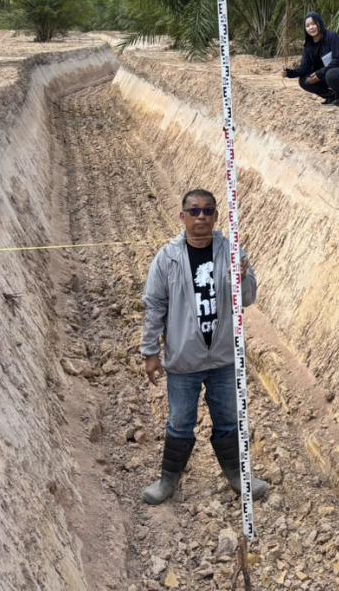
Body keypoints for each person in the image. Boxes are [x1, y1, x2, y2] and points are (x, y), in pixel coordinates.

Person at [140, 189, 270, 505]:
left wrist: (242, 277)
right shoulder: (168, 257)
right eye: (194, 211)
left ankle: (239, 477)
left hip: (223, 358)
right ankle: (167, 481)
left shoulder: (232, 252)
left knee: (228, 420)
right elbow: (154, 305)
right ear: (182, 216)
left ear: (215, 216)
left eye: (208, 211)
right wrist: (150, 352)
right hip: (185, 360)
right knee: (180, 422)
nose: (201, 217)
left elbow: (248, 298)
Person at [282, 11, 339, 107]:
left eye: (314, 23)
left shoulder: (332, 37)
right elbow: (305, 67)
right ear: (305, 29)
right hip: (327, 73)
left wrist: (319, 74)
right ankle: (331, 96)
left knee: (331, 74)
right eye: (308, 25)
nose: (311, 27)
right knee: (304, 80)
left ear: (320, 23)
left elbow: (337, 60)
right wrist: (289, 73)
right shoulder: (308, 46)